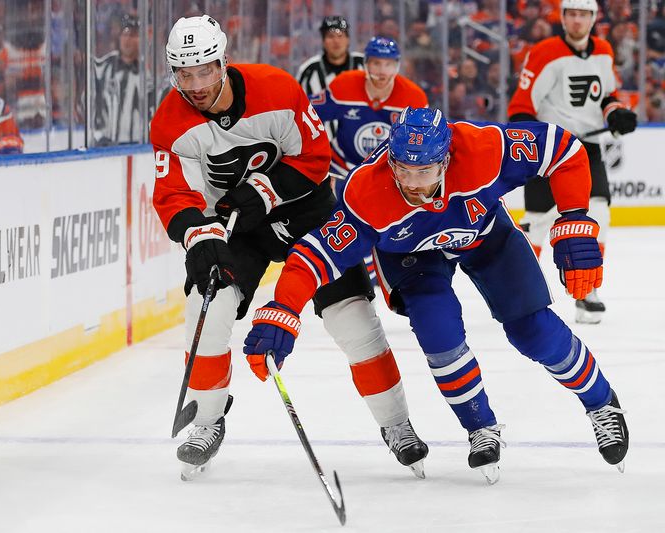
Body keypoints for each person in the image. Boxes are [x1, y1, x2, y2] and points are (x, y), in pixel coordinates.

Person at [243, 107, 630, 484]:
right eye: (403, 169)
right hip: (410, 255)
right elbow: (313, 257)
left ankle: (601, 403)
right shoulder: (367, 192)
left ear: (446, 160)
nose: (412, 183)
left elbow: (563, 148)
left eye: (424, 170)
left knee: (534, 330)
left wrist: (575, 216)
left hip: (485, 235)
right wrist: (282, 308)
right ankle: (481, 428)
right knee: (438, 329)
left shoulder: (483, 148)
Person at [151, 15, 428, 481]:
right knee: (208, 302)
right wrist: (198, 238)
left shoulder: (277, 89)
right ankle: (207, 419)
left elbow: (315, 158)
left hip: (308, 213)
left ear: (223, 62)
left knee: (352, 315)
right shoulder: (169, 121)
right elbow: (175, 194)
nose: (196, 85)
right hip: (237, 228)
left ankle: (396, 423)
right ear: (173, 73)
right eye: (185, 74)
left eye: (204, 70)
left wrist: (258, 193)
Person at [508, 0, 637, 324]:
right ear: (563, 17)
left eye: (583, 14)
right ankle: (522, 294)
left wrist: (615, 112)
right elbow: (522, 105)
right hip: (551, 146)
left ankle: (587, 290)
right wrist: (528, 146)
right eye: (571, 14)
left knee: (599, 212)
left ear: (594, 18)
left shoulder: (604, 50)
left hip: (588, 147)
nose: (577, 20)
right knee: (539, 221)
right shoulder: (545, 52)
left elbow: (606, 95)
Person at [310, 36, 428, 196]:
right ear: (365, 64)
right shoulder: (344, 85)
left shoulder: (414, 98)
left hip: (388, 176)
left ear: (397, 66)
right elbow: (309, 113)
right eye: (376, 63)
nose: (382, 71)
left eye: (389, 64)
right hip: (341, 170)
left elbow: (423, 142)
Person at [93, 13, 151, 145]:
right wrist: (99, 136)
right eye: (125, 34)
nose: (128, 40)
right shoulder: (103, 67)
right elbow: (89, 105)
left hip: (139, 146)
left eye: (134, 35)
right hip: (106, 146)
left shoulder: (149, 73)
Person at [295, 16, 364, 98]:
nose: (336, 41)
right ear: (323, 41)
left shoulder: (364, 64)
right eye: (331, 36)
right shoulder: (308, 70)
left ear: (348, 40)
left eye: (340, 35)